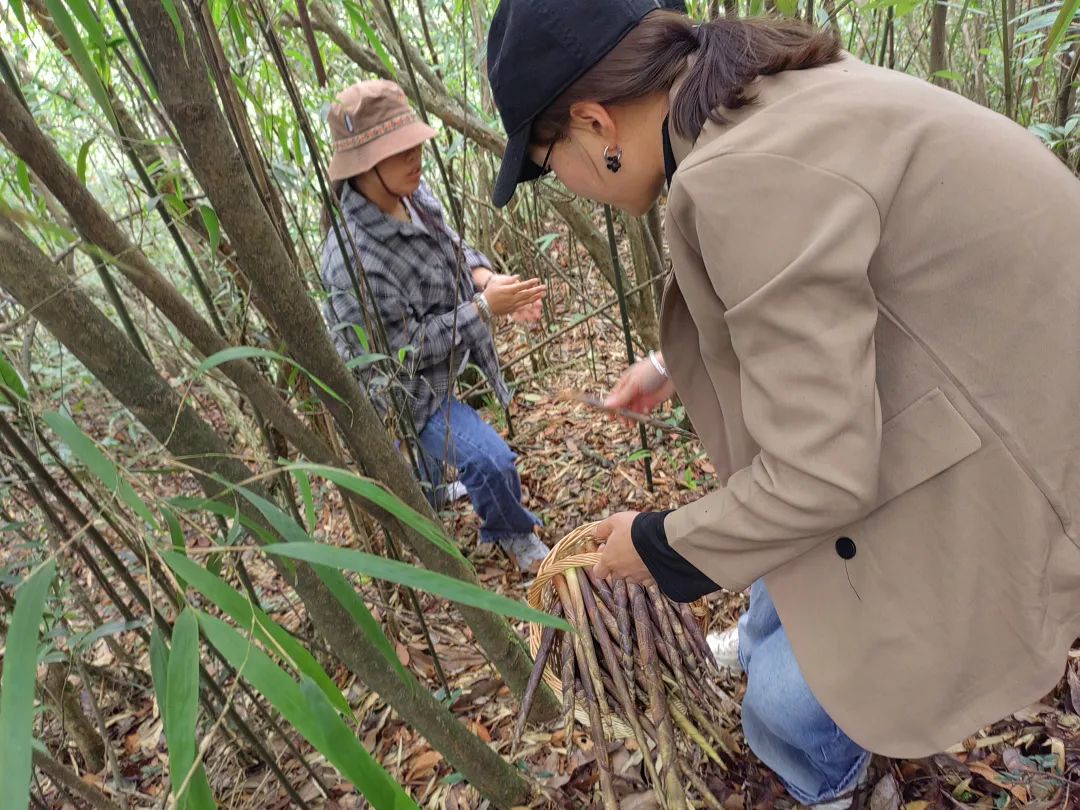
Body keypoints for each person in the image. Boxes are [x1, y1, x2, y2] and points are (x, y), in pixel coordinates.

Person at [485, 1, 1080, 807]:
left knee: (787, 707)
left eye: (550, 159)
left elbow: (820, 478)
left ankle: (824, 782)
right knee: (782, 536)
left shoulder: (739, 172)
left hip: (1027, 444)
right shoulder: (765, 100)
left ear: (596, 123)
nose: (565, 181)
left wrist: (658, 545)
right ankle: (775, 635)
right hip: (1002, 374)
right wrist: (669, 360)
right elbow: (828, 276)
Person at [320, 79, 550, 572]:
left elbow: (451, 248)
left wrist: (484, 276)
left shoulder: (412, 194)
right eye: (398, 150)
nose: (415, 157)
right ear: (362, 166)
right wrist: (485, 309)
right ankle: (511, 532)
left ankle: (434, 487)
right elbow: (398, 355)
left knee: (450, 457)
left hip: (448, 358)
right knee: (491, 462)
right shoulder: (351, 263)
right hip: (406, 391)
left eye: (415, 143)